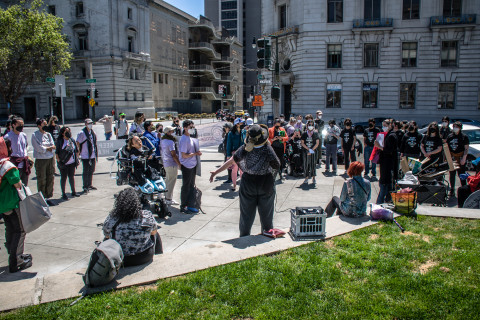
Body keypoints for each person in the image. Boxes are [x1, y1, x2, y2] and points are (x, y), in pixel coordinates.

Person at [209, 124, 280, 236]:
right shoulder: (267, 148)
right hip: (265, 183)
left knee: (246, 215)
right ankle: (267, 236)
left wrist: (216, 172)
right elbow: (276, 165)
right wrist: (270, 176)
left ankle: (244, 237)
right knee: (267, 216)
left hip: (248, 183)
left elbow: (231, 161)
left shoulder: (244, 149)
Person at [102, 187, 162, 267]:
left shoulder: (113, 218)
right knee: (156, 234)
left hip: (120, 259)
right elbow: (153, 233)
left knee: (106, 240)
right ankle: (160, 257)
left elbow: (106, 235)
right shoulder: (146, 215)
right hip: (143, 256)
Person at [0, 137, 32, 273]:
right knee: (20, 230)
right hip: (12, 204)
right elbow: (17, 183)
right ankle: (16, 260)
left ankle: (12, 253)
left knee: (10, 229)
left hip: (3, 206)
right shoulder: (7, 166)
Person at [31, 118, 56, 206]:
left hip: (50, 159)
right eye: (44, 125)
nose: (46, 126)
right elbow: (39, 148)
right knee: (42, 179)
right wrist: (47, 148)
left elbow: (53, 146)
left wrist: (48, 148)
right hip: (41, 160)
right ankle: (41, 198)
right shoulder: (35, 135)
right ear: (39, 126)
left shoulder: (48, 134)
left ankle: (48, 197)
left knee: (50, 177)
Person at [179, 120, 202, 214]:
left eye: (193, 127)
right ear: (185, 128)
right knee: (186, 186)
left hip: (192, 165)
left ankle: (190, 204)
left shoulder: (191, 138)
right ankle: (183, 205)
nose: (192, 129)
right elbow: (184, 155)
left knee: (191, 185)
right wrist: (195, 153)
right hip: (187, 166)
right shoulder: (184, 139)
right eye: (190, 127)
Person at [375, 119, 398, 204]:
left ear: (390, 125)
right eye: (383, 125)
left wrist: (379, 146)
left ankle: (380, 202)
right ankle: (385, 200)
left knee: (384, 184)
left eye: (385, 125)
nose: (383, 127)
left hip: (388, 163)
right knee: (386, 184)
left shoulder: (392, 136)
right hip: (385, 162)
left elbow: (389, 150)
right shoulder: (388, 135)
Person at [4, 117, 30, 185]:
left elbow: (25, 146)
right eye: (19, 124)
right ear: (13, 125)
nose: (21, 126)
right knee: (16, 184)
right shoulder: (8, 136)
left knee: (25, 184)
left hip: (24, 163)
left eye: (22, 124)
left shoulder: (23, 135)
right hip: (14, 163)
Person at [56, 126, 80, 200]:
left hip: (72, 162)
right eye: (66, 131)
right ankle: (63, 193)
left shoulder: (71, 140)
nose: (68, 133)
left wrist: (77, 159)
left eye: (69, 131)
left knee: (71, 177)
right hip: (64, 163)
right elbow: (57, 153)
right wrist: (59, 162)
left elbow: (76, 150)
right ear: (63, 133)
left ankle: (73, 191)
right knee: (64, 178)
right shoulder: (60, 141)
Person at [446, 121, 469, 197]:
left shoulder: (464, 136)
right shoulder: (450, 136)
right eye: (454, 127)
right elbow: (447, 148)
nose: (455, 128)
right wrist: (447, 158)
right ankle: (452, 190)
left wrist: (464, 158)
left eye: (457, 127)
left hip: (460, 157)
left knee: (461, 174)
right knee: (452, 174)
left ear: (460, 128)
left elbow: (466, 148)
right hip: (452, 157)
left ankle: (464, 189)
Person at [161, 126, 181, 205]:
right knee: (171, 181)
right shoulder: (170, 142)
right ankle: (168, 198)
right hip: (171, 163)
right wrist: (179, 164)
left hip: (166, 162)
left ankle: (166, 197)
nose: (173, 132)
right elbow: (173, 155)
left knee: (168, 180)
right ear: (168, 132)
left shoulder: (163, 140)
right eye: (171, 131)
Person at [76, 118, 98, 193]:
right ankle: (85, 186)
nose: (90, 125)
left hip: (92, 155)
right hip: (85, 155)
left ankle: (89, 184)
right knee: (86, 171)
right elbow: (78, 142)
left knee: (91, 170)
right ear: (85, 124)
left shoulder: (92, 132)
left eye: (91, 123)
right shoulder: (82, 133)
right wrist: (78, 153)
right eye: (89, 123)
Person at [226, 118, 246, 191]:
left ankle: (242, 185)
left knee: (242, 170)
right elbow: (229, 144)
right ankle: (234, 185)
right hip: (234, 153)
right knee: (234, 170)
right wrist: (228, 155)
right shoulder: (231, 133)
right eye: (240, 123)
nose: (242, 124)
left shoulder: (244, 132)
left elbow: (245, 142)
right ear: (236, 124)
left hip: (243, 153)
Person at [301, 120, 320, 184]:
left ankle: (313, 178)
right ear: (307, 126)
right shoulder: (304, 133)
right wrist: (308, 149)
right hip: (306, 151)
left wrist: (312, 150)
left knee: (313, 164)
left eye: (312, 125)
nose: (310, 126)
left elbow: (317, 143)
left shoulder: (315, 133)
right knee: (306, 164)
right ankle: (306, 177)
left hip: (313, 151)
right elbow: (302, 143)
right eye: (309, 125)